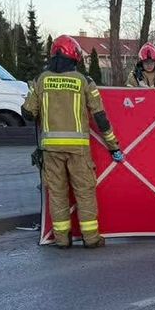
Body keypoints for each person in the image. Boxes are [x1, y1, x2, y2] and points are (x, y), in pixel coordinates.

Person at [23, 35, 123, 249]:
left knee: (57, 193)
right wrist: (113, 146)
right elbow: (100, 117)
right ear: (75, 56)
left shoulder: (41, 80)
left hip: (51, 150)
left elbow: (28, 113)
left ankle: (62, 239)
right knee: (85, 192)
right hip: (78, 150)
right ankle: (91, 239)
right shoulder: (84, 82)